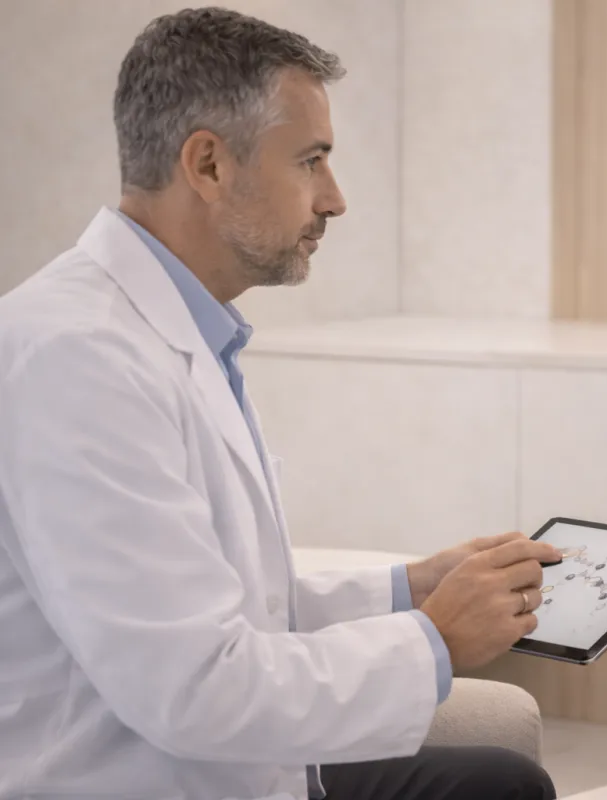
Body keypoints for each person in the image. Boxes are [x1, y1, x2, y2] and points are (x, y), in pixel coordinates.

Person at [0, 8, 557, 800]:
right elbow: (193, 688)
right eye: (311, 161)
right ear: (208, 164)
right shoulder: (75, 360)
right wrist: (432, 641)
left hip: (218, 765)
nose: (334, 199)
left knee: (498, 782)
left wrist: (409, 587)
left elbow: (229, 604)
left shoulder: (178, 331)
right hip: (137, 777)